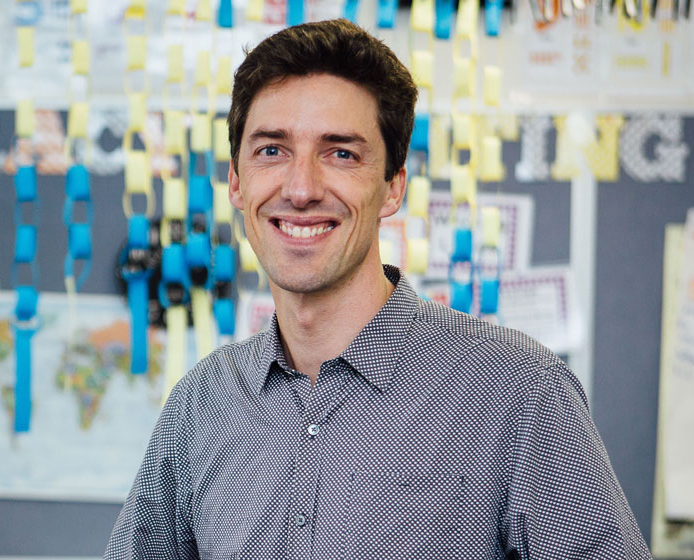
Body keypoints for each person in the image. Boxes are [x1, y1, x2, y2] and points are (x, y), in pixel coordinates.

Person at [105, 19, 651, 559]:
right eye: (272, 150)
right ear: (236, 182)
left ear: (393, 187)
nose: (300, 189)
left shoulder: (519, 394)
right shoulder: (200, 408)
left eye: (340, 153)